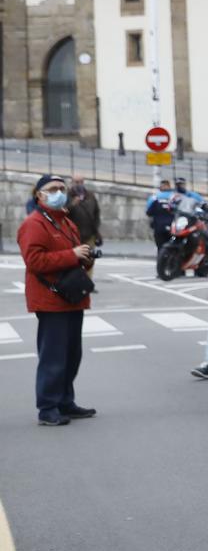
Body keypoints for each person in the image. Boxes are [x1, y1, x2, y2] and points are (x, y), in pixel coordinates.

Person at [19, 174, 96, 426]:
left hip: (71, 296)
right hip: (51, 298)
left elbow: (73, 256)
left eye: (62, 188)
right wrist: (71, 254)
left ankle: (65, 401)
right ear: (39, 195)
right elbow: (35, 261)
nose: (59, 192)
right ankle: (48, 407)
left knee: (72, 354)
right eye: (53, 188)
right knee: (53, 356)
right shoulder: (34, 223)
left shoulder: (65, 222)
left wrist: (85, 257)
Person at [66, 177, 101, 249]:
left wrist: (96, 228)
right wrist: (72, 205)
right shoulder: (66, 196)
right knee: (75, 258)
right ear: (71, 183)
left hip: (89, 235)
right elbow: (62, 213)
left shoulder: (90, 196)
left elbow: (96, 212)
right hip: (72, 236)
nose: (79, 184)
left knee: (89, 257)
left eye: (81, 182)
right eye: (76, 182)